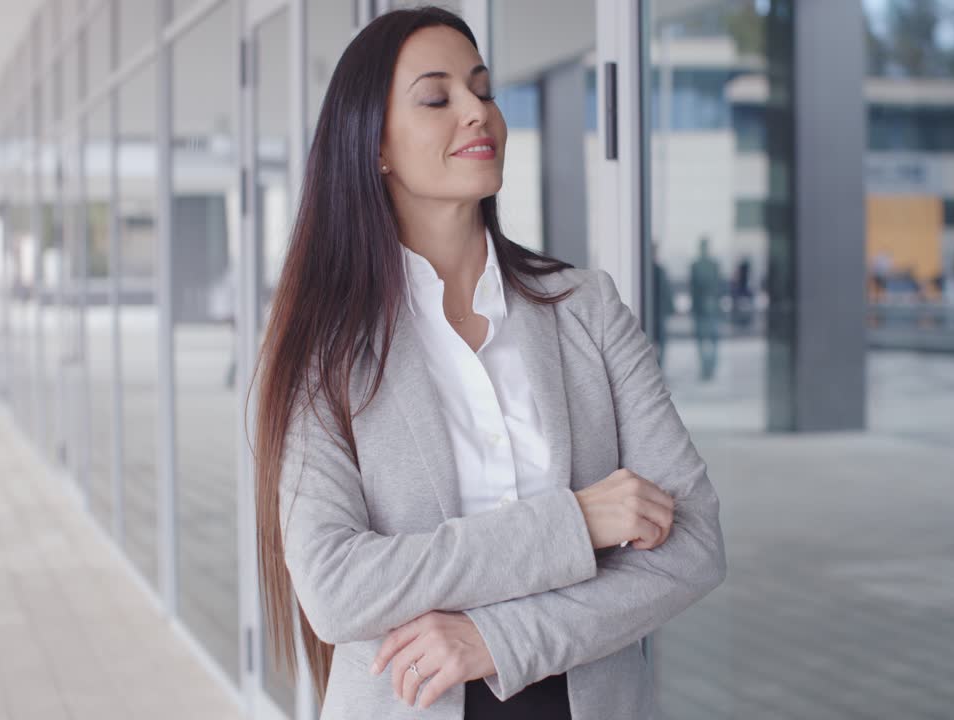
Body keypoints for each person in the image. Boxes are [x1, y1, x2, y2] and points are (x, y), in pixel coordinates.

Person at [251, 9, 725, 720]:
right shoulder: (326, 350)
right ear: (375, 147)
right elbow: (336, 588)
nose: (478, 112)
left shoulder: (587, 308)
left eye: (483, 90)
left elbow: (694, 543)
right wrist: (576, 522)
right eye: (437, 98)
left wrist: (499, 639)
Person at [689, 236, 723, 380]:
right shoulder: (712, 265)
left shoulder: (697, 265)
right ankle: (709, 367)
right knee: (710, 339)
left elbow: (693, 288)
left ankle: (707, 367)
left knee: (705, 340)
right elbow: (719, 286)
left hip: (705, 308)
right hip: (709, 307)